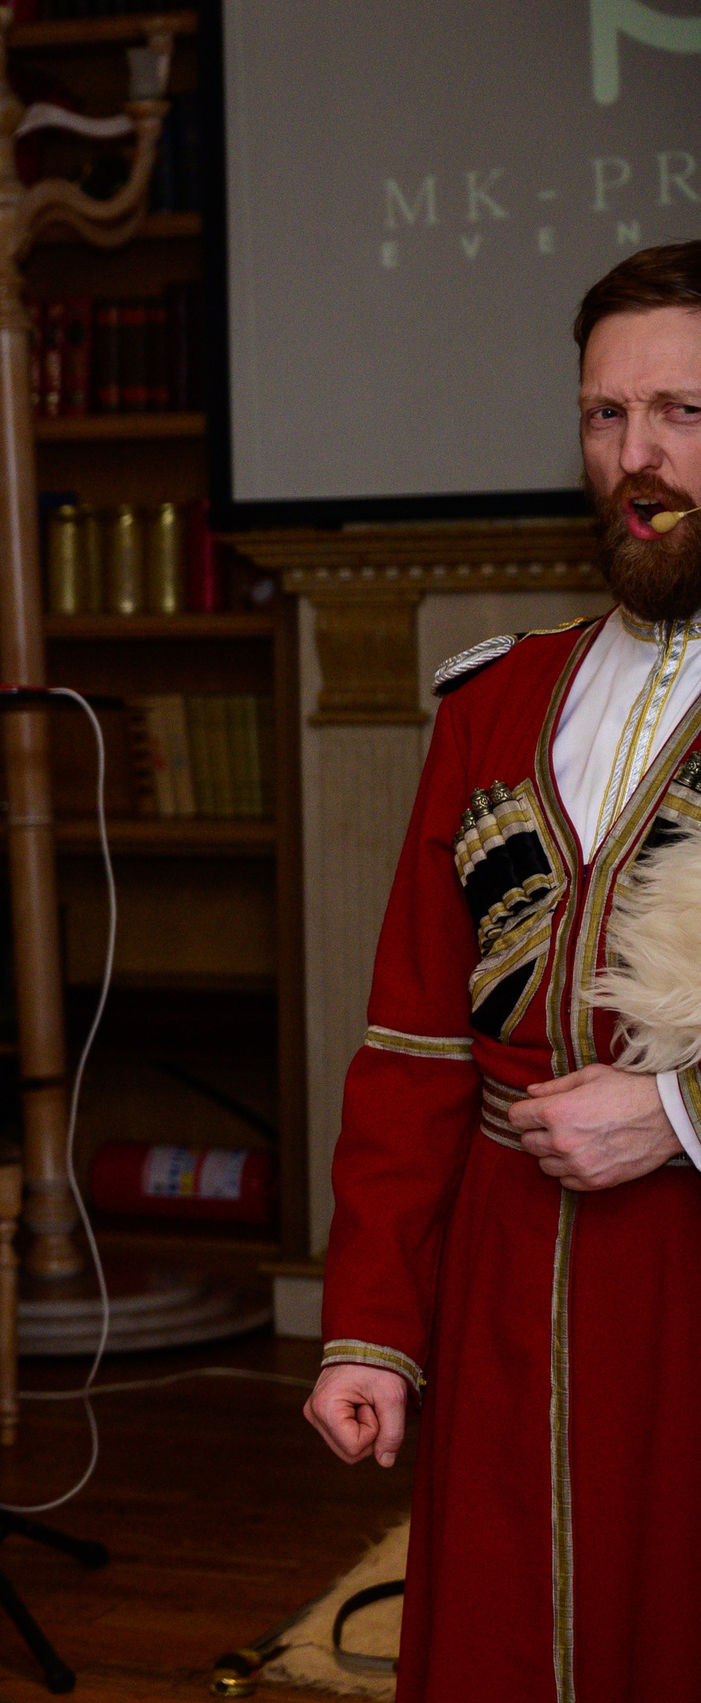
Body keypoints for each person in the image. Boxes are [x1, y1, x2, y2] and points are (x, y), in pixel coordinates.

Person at [307, 240, 701, 1701]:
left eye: (681, 414)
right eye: (606, 416)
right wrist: (373, 1332)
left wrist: (676, 1118)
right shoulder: (493, 702)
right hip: (499, 1279)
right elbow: (411, 1041)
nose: (636, 457)